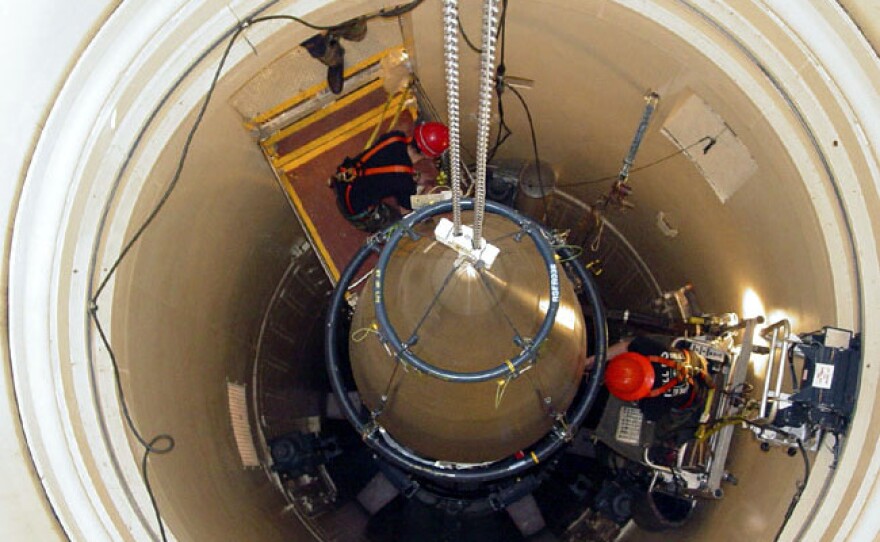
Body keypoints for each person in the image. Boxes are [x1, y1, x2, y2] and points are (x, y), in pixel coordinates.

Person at [331, 122, 449, 232]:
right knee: (398, 222)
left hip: (343, 182)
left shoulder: (395, 138)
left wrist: (411, 178)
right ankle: (373, 225)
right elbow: (406, 210)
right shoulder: (403, 181)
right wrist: (429, 197)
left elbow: (384, 164)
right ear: (429, 156)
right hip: (354, 210)